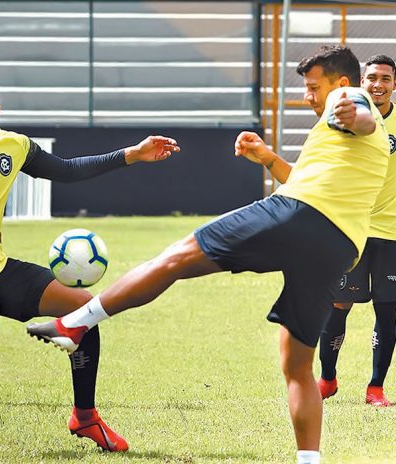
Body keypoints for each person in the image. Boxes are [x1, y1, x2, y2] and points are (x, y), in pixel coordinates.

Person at [27, 45, 390, 464]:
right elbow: (308, 178)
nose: (308, 96)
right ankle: (310, 460)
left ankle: (75, 324)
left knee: (177, 256)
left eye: (314, 88)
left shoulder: (352, 102)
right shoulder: (345, 140)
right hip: (338, 247)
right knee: (296, 366)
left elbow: (358, 115)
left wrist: (352, 113)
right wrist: (268, 157)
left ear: (340, 84)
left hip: (301, 214)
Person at [0, 70, 178, 460]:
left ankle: (85, 417)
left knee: (83, 307)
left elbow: (67, 170)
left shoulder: (14, 145)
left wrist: (131, 155)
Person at [317, 54, 396, 407]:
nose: (378, 84)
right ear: (361, 82)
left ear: (394, 85)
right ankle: (327, 379)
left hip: (392, 232)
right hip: (352, 227)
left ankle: (375, 388)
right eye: (372, 78)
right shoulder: (346, 117)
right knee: (338, 303)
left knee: (389, 310)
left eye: (385, 79)